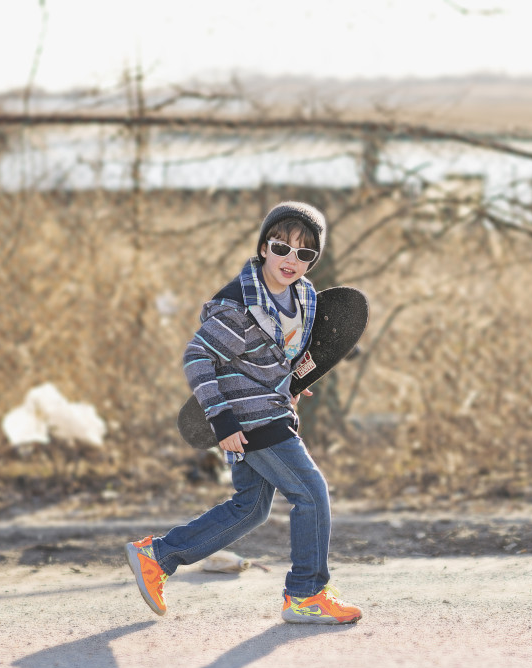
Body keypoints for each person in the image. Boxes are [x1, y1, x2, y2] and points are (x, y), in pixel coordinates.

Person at [125, 201, 362, 625]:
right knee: (311, 494)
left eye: (305, 254)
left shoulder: (303, 296)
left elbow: (279, 355)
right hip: (249, 420)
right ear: (264, 246)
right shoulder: (239, 307)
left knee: (252, 508)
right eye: (281, 247)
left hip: (271, 409)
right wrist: (222, 420)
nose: (291, 260)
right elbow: (198, 357)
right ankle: (306, 593)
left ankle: (157, 557)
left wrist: (288, 383)